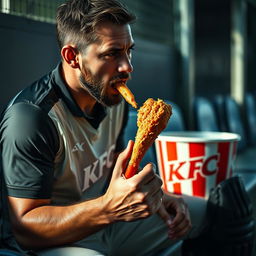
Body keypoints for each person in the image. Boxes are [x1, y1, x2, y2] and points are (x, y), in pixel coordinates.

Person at [0, 0, 208, 255]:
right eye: (112, 53)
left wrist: (159, 197)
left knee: (210, 210)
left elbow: (117, 177)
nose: (127, 67)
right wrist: (108, 208)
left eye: (129, 50)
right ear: (72, 56)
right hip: (53, 243)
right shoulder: (32, 117)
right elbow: (25, 229)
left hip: (107, 222)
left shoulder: (113, 101)